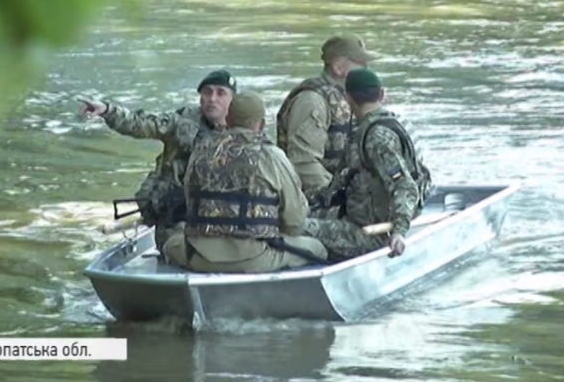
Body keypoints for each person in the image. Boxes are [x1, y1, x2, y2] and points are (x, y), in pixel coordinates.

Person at [163, 93, 328, 273]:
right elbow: (295, 222)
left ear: (228, 118)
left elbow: (190, 204)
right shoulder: (272, 156)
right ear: (262, 124)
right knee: (317, 248)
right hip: (255, 258)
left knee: (171, 243)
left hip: (198, 257)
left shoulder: (200, 150)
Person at [78, 70, 236, 252]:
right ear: (200, 97)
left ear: (233, 100)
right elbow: (141, 123)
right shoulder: (181, 122)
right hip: (175, 218)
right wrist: (107, 110)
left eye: (220, 93)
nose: (212, 98)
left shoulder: (243, 132)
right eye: (207, 92)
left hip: (217, 219)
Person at [303, 68, 432, 261]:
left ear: (347, 98)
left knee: (293, 228)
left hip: (371, 234)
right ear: (381, 93)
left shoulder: (376, 137)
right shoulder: (390, 124)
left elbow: (404, 185)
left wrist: (399, 231)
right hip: (366, 221)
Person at [276, 34, 378, 201]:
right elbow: (304, 163)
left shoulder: (347, 97)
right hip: (313, 201)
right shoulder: (312, 101)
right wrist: (338, 197)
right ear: (338, 67)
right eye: (360, 63)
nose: (366, 68)